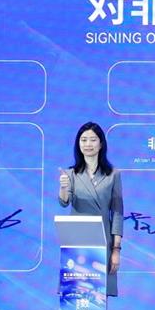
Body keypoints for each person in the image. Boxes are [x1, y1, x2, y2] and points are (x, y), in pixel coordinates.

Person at [58, 122, 124, 297]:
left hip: (103, 241)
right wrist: (63, 187)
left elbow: (117, 213)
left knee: (98, 296)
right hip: (77, 241)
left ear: (101, 144)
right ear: (78, 144)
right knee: (75, 293)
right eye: (84, 140)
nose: (88, 144)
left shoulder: (113, 174)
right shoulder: (70, 174)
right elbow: (64, 202)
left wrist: (116, 249)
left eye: (93, 140)